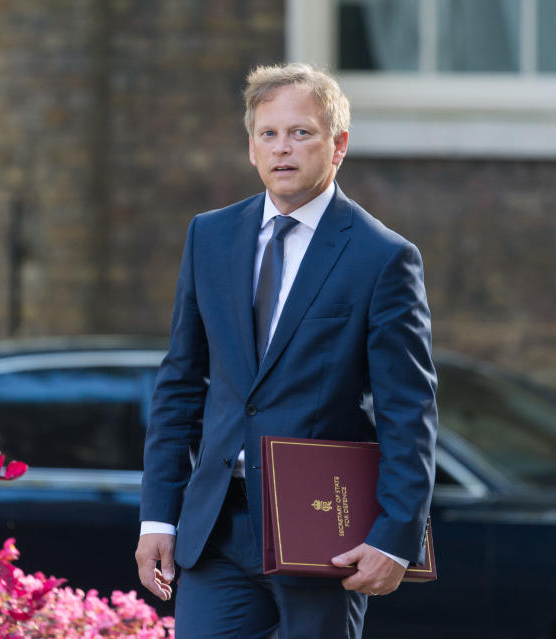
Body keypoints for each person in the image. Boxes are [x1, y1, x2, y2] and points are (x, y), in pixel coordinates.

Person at [135, 62, 438, 639]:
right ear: (251, 147)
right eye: (268, 134)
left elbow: (409, 410)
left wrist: (397, 535)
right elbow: (180, 383)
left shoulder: (383, 258)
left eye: (301, 133)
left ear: (338, 145)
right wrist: (158, 515)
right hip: (216, 526)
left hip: (324, 532)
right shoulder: (210, 236)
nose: (283, 149)